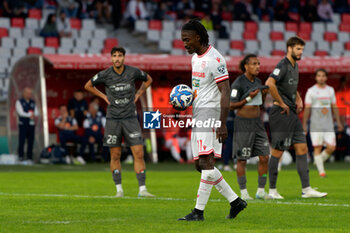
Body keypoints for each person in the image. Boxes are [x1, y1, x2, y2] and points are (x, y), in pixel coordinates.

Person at [177, 19, 246, 221]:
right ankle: (235, 201)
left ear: (198, 37)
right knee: (200, 164)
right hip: (198, 113)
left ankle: (198, 212)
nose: (185, 44)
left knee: (207, 162)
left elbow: (225, 90)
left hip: (211, 115)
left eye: (187, 40)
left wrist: (222, 123)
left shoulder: (215, 59)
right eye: (183, 40)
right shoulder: (195, 58)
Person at [84, 46, 154, 198]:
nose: (117, 58)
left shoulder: (133, 72)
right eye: (114, 56)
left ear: (124, 58)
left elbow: (148, 80)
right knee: (115, 155)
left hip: (130, 118)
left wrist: (139, 93)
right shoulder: (105, 74)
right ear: (111, 58)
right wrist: (103, 97)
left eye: (120, 56)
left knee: (139, 153)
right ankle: (119, 190)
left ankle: (142, 189)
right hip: (113, 119)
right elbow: (88, 85)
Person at [265, 36, 327, 199]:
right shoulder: (282, 65)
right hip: (281, 113)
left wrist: (298, 98)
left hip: (292, 113)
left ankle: (306, 189)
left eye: (302, 49)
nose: (300, 52)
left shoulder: (295, 66)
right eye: (298, 49)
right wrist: (281, 102)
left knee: (302, 149)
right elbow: (269, 83)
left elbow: (292, 88)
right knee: (278, 151)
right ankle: (272, 191)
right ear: (289, 48)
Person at [230, 54, 270, 200]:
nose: (257, 66)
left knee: (265, 156)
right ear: (246, 66)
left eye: (258, 63)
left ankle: (260, 190)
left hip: (257, 124)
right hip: (243, 124)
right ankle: (244, 192)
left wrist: (264, 95)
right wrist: (248, 98)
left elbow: (259, 104)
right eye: (254, 64)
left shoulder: (258, 81)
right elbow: (230, 105)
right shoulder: (238, 83)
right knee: (242, 159)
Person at [302, 69, 343, 177]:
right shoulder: (311, 91)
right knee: (318, 147)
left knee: (332, 147)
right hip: (316, 124)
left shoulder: (330, 90)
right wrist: (304, 124)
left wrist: (338, 122)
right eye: (319, 76)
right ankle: (322, 172)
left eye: (323, 76)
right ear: (316, 77)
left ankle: (318, 161)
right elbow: (307, 108)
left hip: (328, 124)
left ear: (326, 77)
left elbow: (334, 106)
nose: (321, 78)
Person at [16, 87, 38, 163]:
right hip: (23, 124)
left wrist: (32, 114)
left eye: (30, 93)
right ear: (24, 93)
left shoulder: (33, 102)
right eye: (28, 93)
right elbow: (21, 113)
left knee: (31, 141)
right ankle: (20, 156)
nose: (29, 95)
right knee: (22, 141)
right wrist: (29, 114)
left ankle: (29, 157)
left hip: (31, 124)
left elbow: (36, 112)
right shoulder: (19, 102)